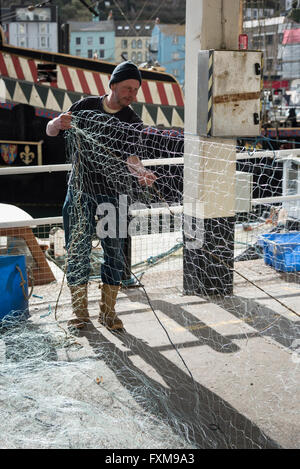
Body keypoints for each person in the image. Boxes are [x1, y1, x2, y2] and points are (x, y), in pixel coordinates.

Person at [46, 61, 156, 330]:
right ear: (113, 84)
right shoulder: (84, 106)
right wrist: (57, 122)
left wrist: (141, 172)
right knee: (77, 249)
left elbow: (132, 158)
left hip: (114, 193)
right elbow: (51, 130)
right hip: (80, 190)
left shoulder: (132, 120)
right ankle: (79, 313)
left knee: (114, 252)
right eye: (128, 88)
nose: (132, 94)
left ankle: (108, 312)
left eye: (136, 90)